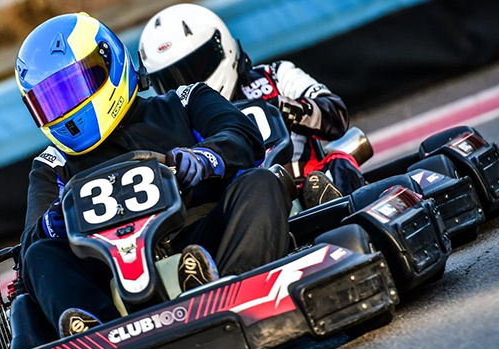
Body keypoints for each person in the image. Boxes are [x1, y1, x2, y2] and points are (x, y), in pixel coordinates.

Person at [15, 12, 290, 337]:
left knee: (260, 182)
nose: (66, 106)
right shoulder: (52, 163)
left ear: (110, 61)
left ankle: (232, 288)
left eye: (73, 88)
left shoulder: (185, 101)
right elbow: (30, 244)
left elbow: (242, 135)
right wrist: (53, 222)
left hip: (202, 239)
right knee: (40, 253)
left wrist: (204, 158)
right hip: (109, 271)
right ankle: (95, 334)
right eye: (51, 100)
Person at [138, 3, 366, 209]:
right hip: (244, 206)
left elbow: (336, 116)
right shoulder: (175, 122)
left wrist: (291, 110)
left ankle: (340, 212)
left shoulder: (276, 76)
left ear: (221, 47)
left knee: (338, 163)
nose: (190, 82)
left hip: (309, 183)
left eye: (194, 67)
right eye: (171, 79)